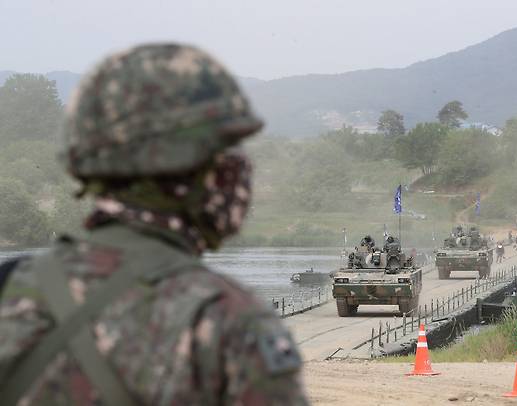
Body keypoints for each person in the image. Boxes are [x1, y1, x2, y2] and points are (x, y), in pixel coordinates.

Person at [0, 44, 307, 405]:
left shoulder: (9, 290)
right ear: (193, 167)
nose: (241, 167)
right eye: (228, 151)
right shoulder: (231, 322)